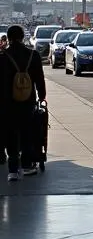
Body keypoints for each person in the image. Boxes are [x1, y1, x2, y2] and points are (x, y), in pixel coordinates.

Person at [1, 25, 47, 182]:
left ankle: (12, 169)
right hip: (27, 101)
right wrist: (42, 96)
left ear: (8, 38)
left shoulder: (3, 56)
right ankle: (27, 166)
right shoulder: (32, 55)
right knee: (27, 132)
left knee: (10, 133)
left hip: (7, 103)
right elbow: (40, 78)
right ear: (22, 37)